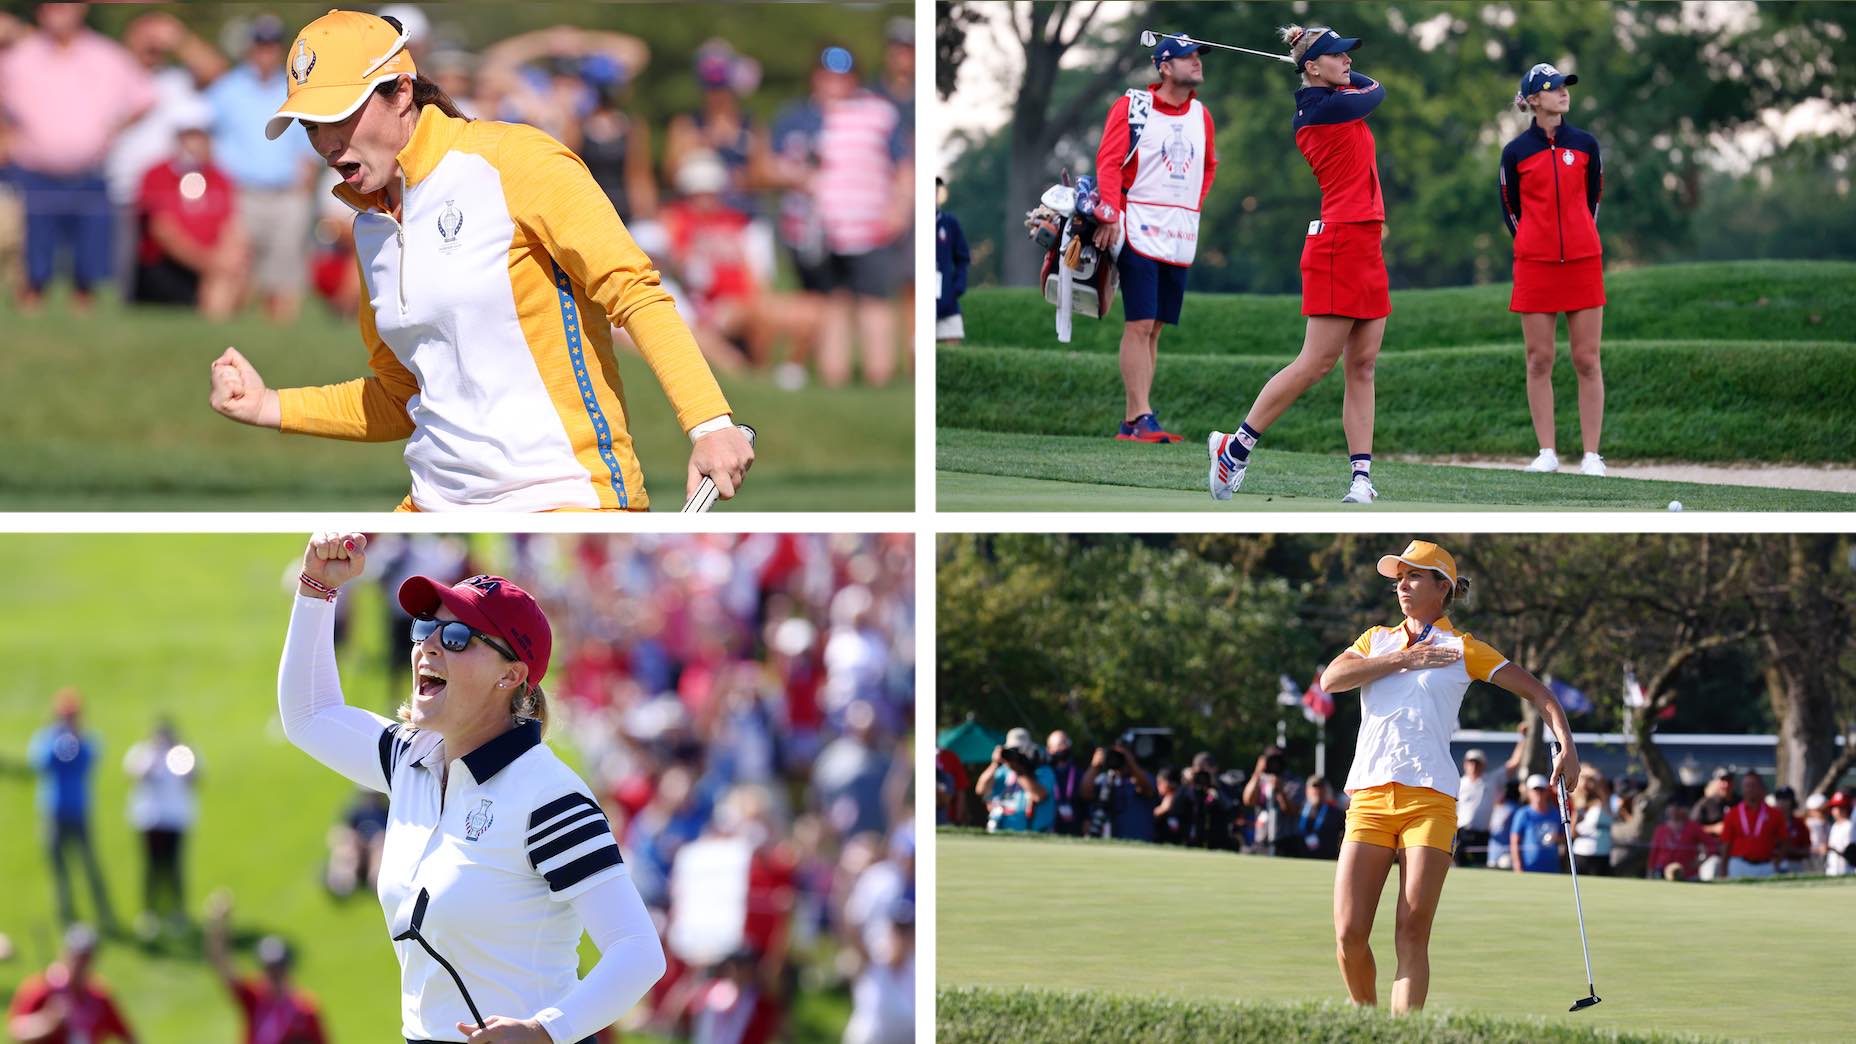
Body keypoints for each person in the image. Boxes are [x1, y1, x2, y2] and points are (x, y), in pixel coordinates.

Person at [208, 10, 754, 512]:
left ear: (401, 93)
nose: (325, 142)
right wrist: (268, 406)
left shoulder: (515, 159)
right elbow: (403, 397)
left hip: (563, 494)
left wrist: (709, 423)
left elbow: (634, 291)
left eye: (338, 117)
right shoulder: (369, 226)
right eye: (310, 126)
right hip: (432, 504)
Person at [278, 532, 666, 1040]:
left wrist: (545, 1031)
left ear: (511, 676)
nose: (427, 646)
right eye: (425, 628)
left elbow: (638, 950)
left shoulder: (550, 798)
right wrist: (316, 589)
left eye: (456, 637)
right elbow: (309, 715)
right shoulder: (411, 758)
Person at [1318, 540, 1580, 1012]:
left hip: (1431, 803)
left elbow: (1540, 694)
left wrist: (1567, 744)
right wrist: (1404, 659)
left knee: (1411, 932)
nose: (1402, 585)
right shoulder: (1374, 639)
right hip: (1370, 799)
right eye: (1399, 577)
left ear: (1443, 586)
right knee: (1348, 933)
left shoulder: (1463, 648)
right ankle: (1365, 1022)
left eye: (1414, 576)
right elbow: (1331, 680)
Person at [1210, 25, 1388, 505]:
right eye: (1338, 56)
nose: (1348, 62)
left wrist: (1321, 63)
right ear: (1312, 67)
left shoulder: (1332, 97)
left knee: (1364, 365)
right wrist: (1323, 70)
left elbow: (1359, 85)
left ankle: (1360, 478)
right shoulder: (1322, 109)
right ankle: (1235, 448)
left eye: (1349, 56)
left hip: (1367, 239)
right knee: (1317, 363)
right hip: (1339, 242)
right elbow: (1378, 90)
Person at [1090, 31, 1218, 444]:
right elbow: (1109, 162)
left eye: (1199, 55)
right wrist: (1110, 212)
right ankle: (1141, 415)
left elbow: (1209, 167)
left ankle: (1134, 420)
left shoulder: (1202, 115)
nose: (1197, 61)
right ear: (1164, 66)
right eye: (1187, 56)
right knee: (1140, 322)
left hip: (1180, 232)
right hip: (1137, 223)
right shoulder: (1133, 106)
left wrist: (1190, 205)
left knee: (1157, 326)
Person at [0, 1, 153, 312]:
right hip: (32, 173)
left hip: (90, 173)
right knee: (32, 264)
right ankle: (31, 318)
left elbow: (144, 98)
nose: (57, 13)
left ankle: (83, 316)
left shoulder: (107, 56)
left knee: (89, 265)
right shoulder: (19, 58)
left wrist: (113, 129)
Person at [1500, 63, 1607, 477]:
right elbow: (1510, 208)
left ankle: (1592, 456)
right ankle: (1547, 452)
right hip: (1536, 266)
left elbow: (1594, 197)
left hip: (1582, 262)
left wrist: (1579, 237)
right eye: (1552, 88)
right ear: (1532, 100)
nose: (1563, 93)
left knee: (1587, 359)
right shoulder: (1515, 152)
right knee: (1538, 359)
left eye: (1564, 86)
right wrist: (1531, 241)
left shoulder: (1585, 144)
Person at [203, 13, 321, 323]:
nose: (265, 52)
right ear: (250, 48)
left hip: (286, 194)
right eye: (260, 45)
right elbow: (203, 133)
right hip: (239, 193)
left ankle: (278, 338)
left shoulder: (294, 89)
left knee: (283, 278)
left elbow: (307, 148)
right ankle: (213, 333)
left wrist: (304, 194)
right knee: (230, 269)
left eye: (271, 46)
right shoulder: (228, 88)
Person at [133, 101, 246, 318]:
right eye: (191, 135)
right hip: (165, 269)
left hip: (209, 268)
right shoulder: (155, 175)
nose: (198, 143)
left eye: (203, 136)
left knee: (234, 271)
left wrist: (227, 262)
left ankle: (219, 326)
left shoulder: (220, 177)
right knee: (220, 277)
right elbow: (164, 233)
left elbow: (231, 228)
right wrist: (210, 264)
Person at [29, 688, 117, 930]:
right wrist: (57, 741)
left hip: (79, 812)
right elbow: (40, 762)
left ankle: (104, 914)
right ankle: (67, 916)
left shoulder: (86, 740)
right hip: (53, 811)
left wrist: (76, 739)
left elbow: (90, 759)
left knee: (90, 865)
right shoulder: (46, 738)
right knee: (59, 869)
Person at [204, 891, 329, 1044]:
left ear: (286, 968)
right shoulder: (255, 1000)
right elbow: (221, 963)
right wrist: (218, 924)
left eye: (278, 968)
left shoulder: (305, 1010)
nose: (274, 974)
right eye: (269, 969)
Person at [122, 718, 201, 937]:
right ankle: (150, 911)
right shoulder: (144, 752)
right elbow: (134, 774)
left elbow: (194, 778)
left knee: (174, 868)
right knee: (151, 869)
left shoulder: (183, 753)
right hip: (149, 819)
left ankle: (176, 911)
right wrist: (154, 758)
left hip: (175, 820)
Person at [5, 924, 135, 1043]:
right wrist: (48, 1021)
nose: (81, 963)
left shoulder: (99, 996)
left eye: (87, 957)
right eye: (77, 956)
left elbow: (128, 1035)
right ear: (65, 953)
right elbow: (17, 1032)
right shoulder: (42, 988)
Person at [1454, 727, 1527, 867]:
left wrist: (1522, 738)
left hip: (1482, 834)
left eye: (1477, 762)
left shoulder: (1492, 780)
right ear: (1465, 764)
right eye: (1471, 762)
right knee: (1458, 867)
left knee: (1479, 867)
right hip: (1460, 833)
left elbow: (1514, 763)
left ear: (1483, 765)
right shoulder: (1459, 783)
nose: (1473, 766)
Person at [1082, 737, 1157, 841]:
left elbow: (1147, 789)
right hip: (1111, 842)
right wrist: (1094, 766)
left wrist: (1130, 762)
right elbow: (1085, 793)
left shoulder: (1143, 777)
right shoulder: (1105, 779)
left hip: (1140, 842)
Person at [1716, 770, 1786, 879]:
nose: (1750, 789)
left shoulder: (1774, 814)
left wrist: (1777, 861)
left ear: (1761, 788)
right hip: (1739, 864)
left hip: (1765, 865)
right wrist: (1723, 869)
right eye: (1747, 786)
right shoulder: (1733, 813)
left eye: (1753, 785)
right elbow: (1726, 844)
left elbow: (1784, 841)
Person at [1242, 746, 1295, 855]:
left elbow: (1291, 811)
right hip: (1262, 840)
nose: (1275, 764)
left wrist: (1280, 791)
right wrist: (1257, 773)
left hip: (1284, 842)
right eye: (1271, 760)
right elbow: (1248, 801)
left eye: (1278, 760)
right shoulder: (1260, 780)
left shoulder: (1293, 782)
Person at [935, 177, 969, 345]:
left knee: (953, 346)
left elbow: (962, 257)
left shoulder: (949, 223)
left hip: (947, 297)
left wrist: (958, 286)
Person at [1508, 774, 1566, 874]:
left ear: (1547, 792)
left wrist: (1556, 838)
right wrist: (1517, 865)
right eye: (1535, 790)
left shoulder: (1556, 813)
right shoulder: (1523, 814)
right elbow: (1514, 842)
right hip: (1529, 868)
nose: (1538, 793)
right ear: (1529, 792)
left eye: (1541, 790)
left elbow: (1564, 837)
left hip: (1552, 868)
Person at [1044, 730, 1090, 836]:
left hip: (1075, 828)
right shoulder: (1044, 772)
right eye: (1060, 744)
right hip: (1050, 828)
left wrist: (1087, 819)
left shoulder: (1078, 771)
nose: (1064, 747)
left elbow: (1085, 800)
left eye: (1066, 743)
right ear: (1049, 749)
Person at [1568, 770, 1614, 876]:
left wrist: (1592, 774)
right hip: (1580, 853)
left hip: (1600, 854)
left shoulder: (1604, 804)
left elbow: (1602, 789)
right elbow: (1572, 834)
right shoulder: (1579, 807)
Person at [1647, 800, 1703, 880]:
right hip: (1661, 873)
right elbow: (1654, 854)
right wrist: (1650, 873)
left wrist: (1699, 862)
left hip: (1688, 874)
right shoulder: (1661, 829)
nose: (1674, 811)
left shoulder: (1693, 827)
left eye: (1677, 808)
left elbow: (1712, 847)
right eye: (1672, 807)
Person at [1295, 775, 1344, 859]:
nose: (1317, 791)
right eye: (1314, 787)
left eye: (1320, 788)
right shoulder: (1298, 810)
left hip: (1327, 859)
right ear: (1307, 790)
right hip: (1302, 859)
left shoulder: (1336, 812)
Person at [1826, 791, 1854, 877]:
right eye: (1834, 807)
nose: (1836, 810)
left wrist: (1831, 848)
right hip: (1832, 869)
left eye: (1841, 807)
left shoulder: (1850, 826)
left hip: (1846, 869)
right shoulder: (1835, 825)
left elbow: (1851, 852)